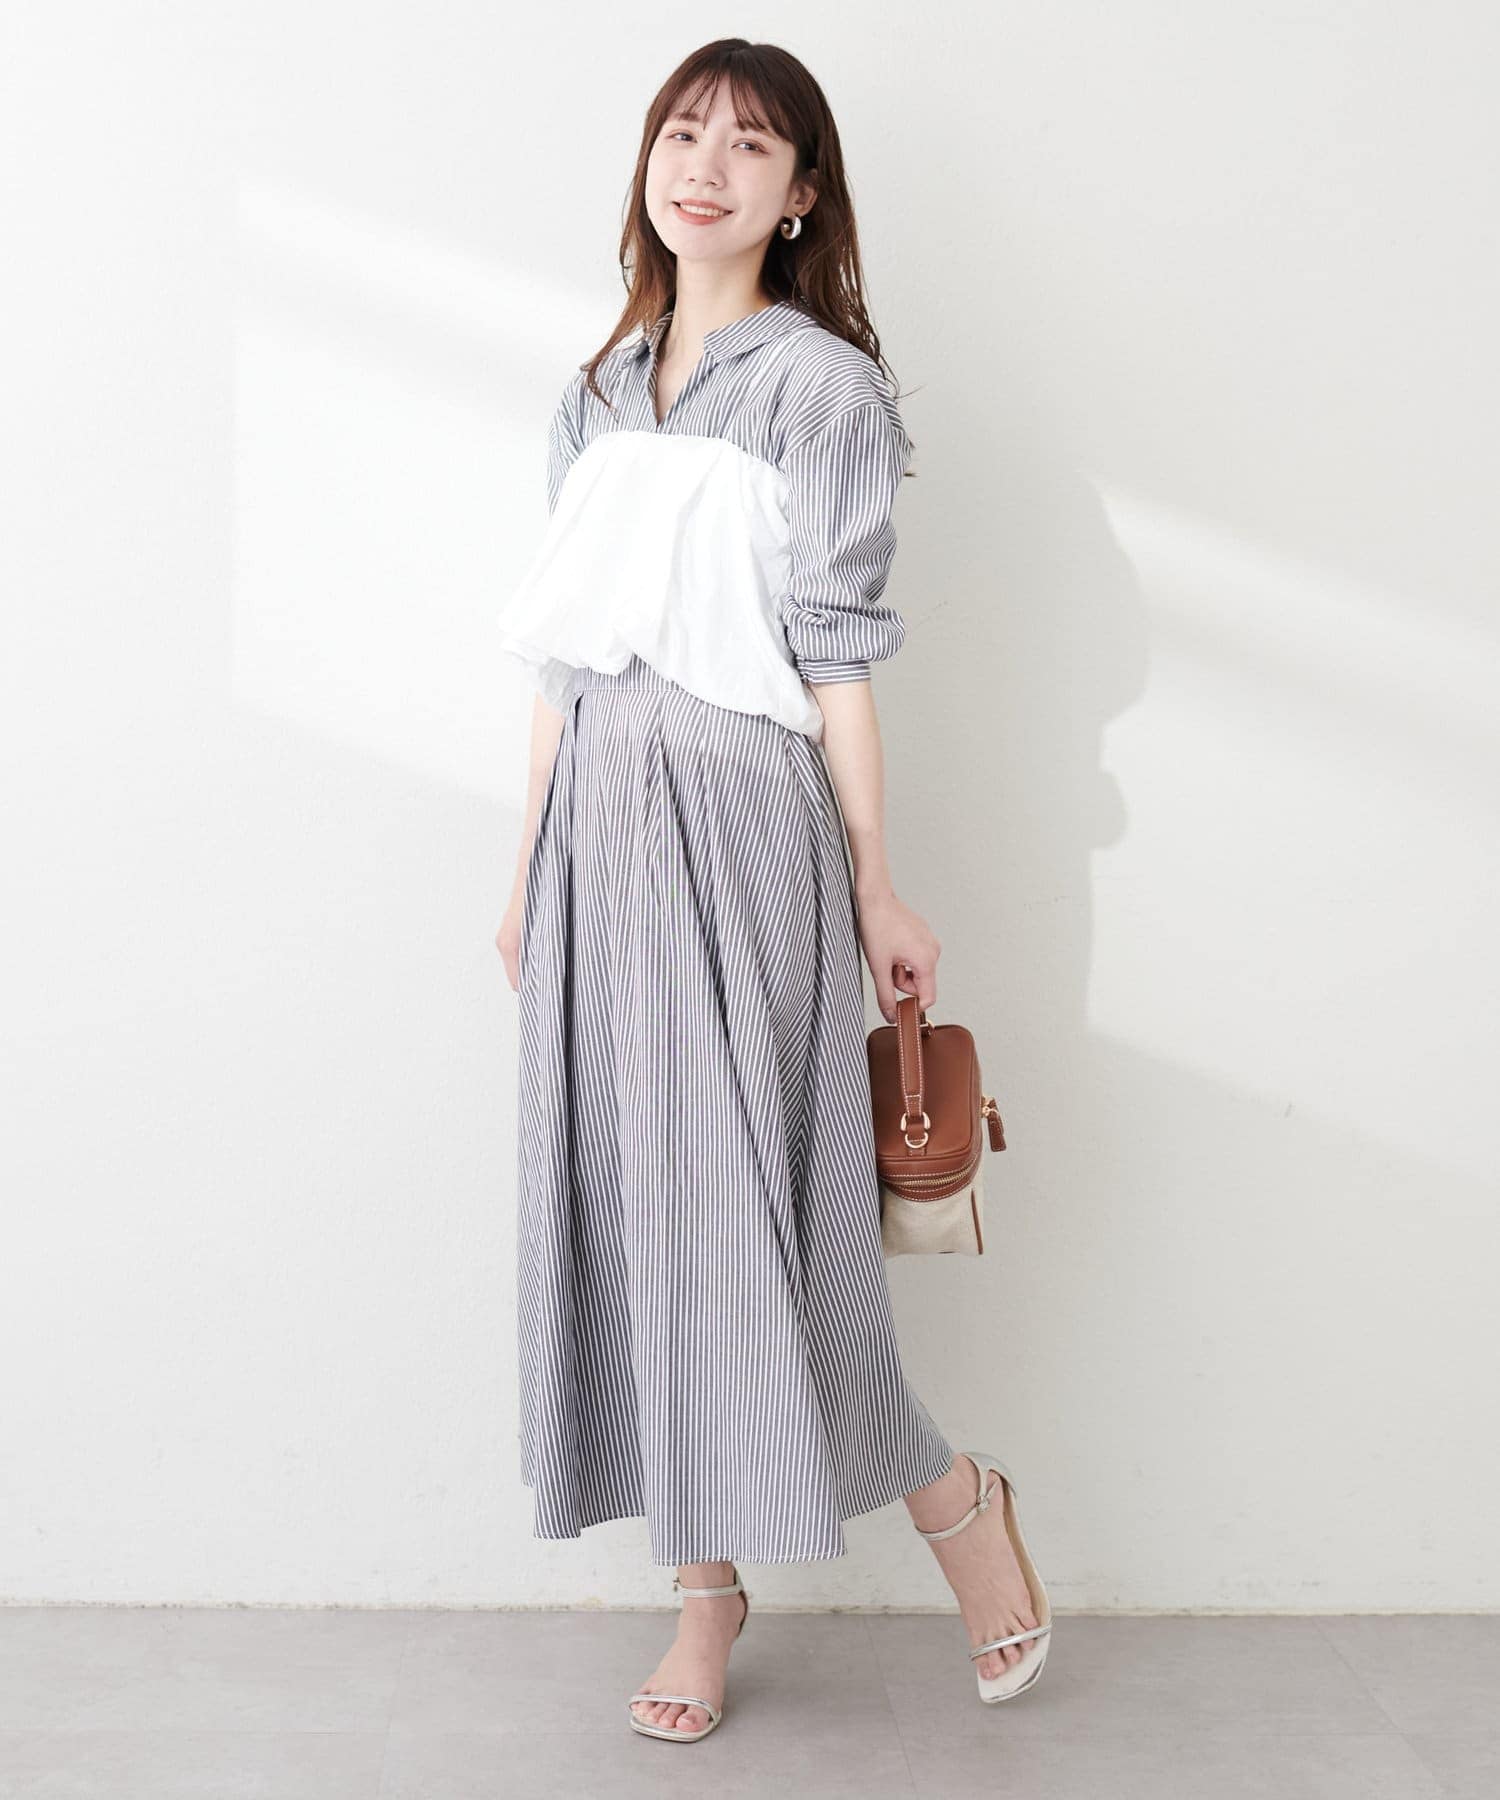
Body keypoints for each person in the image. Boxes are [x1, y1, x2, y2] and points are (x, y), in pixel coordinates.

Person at [494, 37, 1048, 1743]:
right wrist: (524, 868)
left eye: (749, 144)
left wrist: (878, 884)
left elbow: (835, 661)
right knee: (629, 1210)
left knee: (760, 1223)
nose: (706, 165)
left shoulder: (822, 391)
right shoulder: (596, 391)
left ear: (801, 194)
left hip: (742, 820)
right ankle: (704, 1595)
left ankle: (954, 1502)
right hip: (596, 828)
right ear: (647, 165)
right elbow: (565, 660)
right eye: (683, 132)